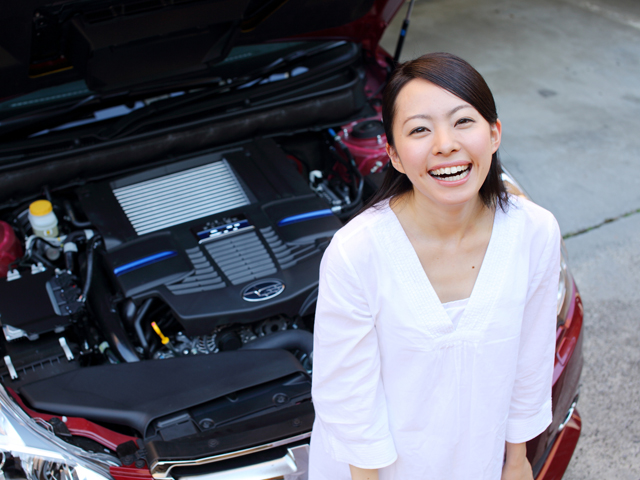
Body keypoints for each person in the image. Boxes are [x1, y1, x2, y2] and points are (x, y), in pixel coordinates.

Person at [308, 52, 561, 480]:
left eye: (463, 121)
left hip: (477, 462)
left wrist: (516, 461)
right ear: (393, 154)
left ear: (495, 134)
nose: (445, 143)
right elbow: (350, 405)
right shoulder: (357, 252)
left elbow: (530, 362)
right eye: (420, 129)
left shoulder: (534, 232)